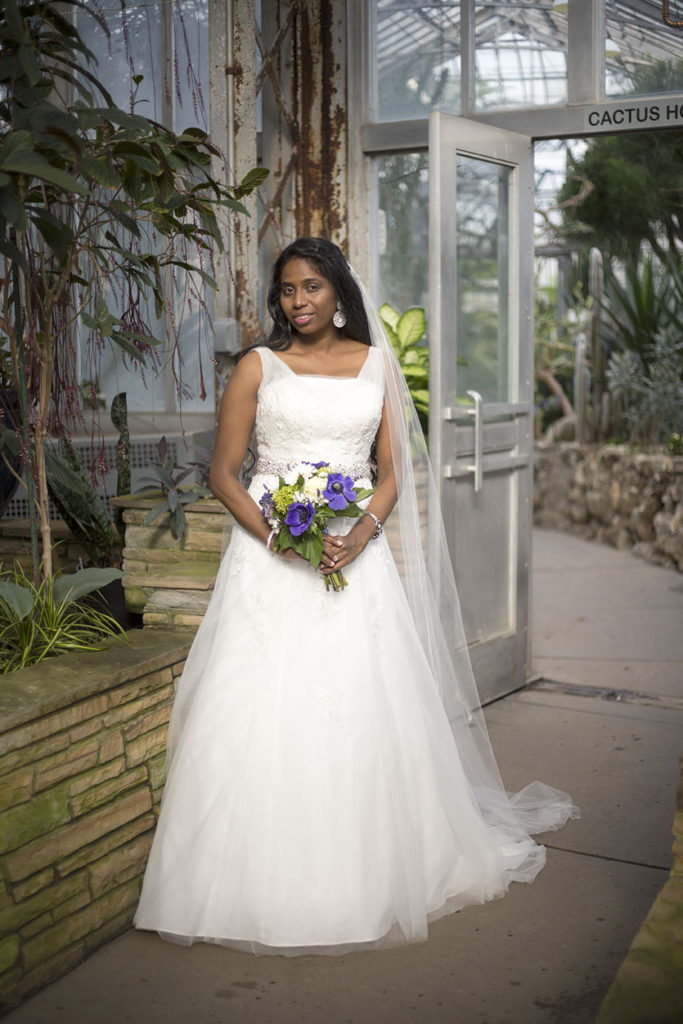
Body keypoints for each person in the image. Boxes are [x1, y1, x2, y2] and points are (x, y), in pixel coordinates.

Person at [134, 237, 578, 955]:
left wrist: (363, 532)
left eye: (311, 286)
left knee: (364, 703)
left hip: (353, 557)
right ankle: (239, 883)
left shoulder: (376, 364)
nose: (298, 301)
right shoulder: (257, 366)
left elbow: (391, 474)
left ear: (339, 291)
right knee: (259, 707)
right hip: (269, 561)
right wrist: (277, 535)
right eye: (286, 290)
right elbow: (223, 472)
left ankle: (381, 867)